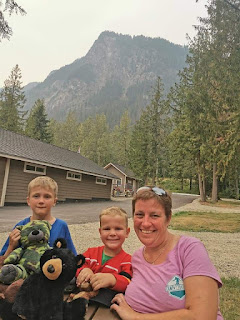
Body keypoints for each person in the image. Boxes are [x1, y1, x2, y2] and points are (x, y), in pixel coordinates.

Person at [110, 186, 224, 320]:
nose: (145, 223)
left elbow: (202, 316)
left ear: (168, 218)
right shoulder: (137, 257)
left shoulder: (189, 249)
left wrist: (135, 317)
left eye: (154, 215)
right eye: (140, 214)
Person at [0, 176, 77, 257]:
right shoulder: (21, 226)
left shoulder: (61, 226)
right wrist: (11, 246)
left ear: (54, 201)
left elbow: (72, 257)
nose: (41, 201)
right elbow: (3, 261)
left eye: (47, 196)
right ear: (28, 200)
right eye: (36, 196)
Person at [76, 206, 132, 293]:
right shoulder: (90, 253)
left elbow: (128, 283)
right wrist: (83, 270)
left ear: (127, 232)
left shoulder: (128, 261)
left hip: (106, 305)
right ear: (100, 232)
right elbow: (74, 265)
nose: (112, 233)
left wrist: (112, 279)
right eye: (107, 229)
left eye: (118, 229)